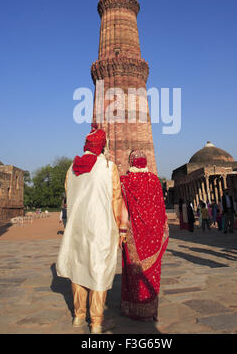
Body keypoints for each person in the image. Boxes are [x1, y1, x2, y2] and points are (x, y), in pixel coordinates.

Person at [56, 125, 124, 333]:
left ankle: (78, 316)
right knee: (98, 271)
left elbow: (69, 196)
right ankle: (96, 322)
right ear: (103, 146)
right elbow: (116, 199)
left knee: (78, 269)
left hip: (76, 228)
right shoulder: (108, 168)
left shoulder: (71, 169)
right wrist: (121, 228)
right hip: (100, 227)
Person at [119, 150, 169, 321]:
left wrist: (121, 231)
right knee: (152, 273)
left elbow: (123, 209)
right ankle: (150, 310)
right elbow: (161, 211)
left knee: (134, 272)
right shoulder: (155, 180)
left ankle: (134, 309)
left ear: (131, 162)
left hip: (134, 236)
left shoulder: (125, 181)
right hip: (154, 235)